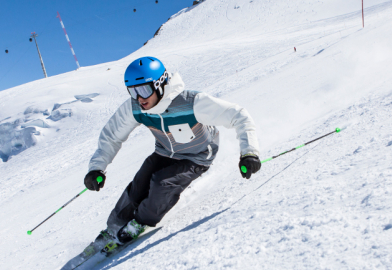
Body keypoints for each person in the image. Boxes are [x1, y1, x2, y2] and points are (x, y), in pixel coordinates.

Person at [84, 56, 261, 252]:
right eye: (133, 91)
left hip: (197, 156)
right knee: (139, 185)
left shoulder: (191, 102)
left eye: (143, 89)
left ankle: (141, 221)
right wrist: (97, 168)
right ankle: (114, 226)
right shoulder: (135, 107)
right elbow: (111, 136)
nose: (140, 98)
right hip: (164, 152)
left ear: (160, 84)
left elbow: (239, 115)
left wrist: (249, 153)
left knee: (162, 183)